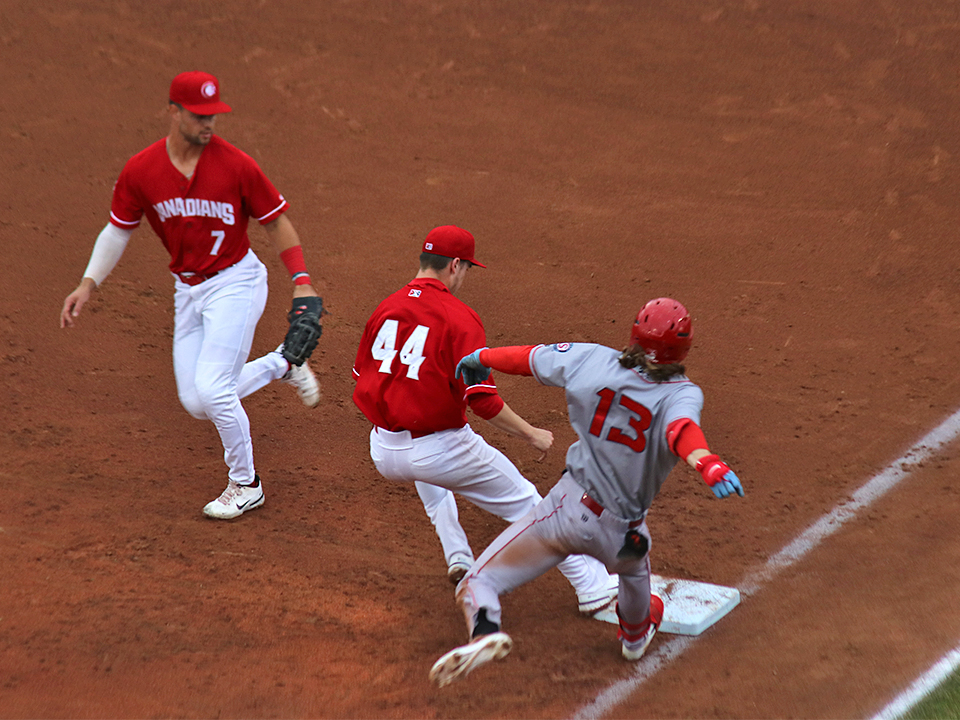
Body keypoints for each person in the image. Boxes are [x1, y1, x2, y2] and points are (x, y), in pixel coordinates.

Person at [428, 297, 745, 687]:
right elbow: (681, 431)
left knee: (478, 582)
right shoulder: (683, 394)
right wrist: (707, 463)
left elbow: (529, 359)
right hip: (622, 536)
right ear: (683, 348)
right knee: (634, 582)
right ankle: (634, 633)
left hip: (562, 513)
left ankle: (486, 632)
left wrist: (484, 356)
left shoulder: (590, 358)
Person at [60, 71, 323, 520]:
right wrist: (88, 282)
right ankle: (283, 362)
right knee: (197, 402)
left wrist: (301, 279)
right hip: (189, 290)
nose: (209, 124)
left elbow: (276, 222)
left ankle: (246, 484)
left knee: (215, 392)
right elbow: (118, 229)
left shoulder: (236, 165)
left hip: (236, 284)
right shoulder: (142, 170)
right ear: (174, 112)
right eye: (200, 115)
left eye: (214, 115)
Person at [351, 225, 618, 618]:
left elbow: (363, 377)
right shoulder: (459, 317)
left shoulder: (385, 307)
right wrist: (532, 434)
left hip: (383, 449)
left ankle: (457, 554)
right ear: (455, 266)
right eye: (467, 269)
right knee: (529, 503)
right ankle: (591, 585)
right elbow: (483, 401)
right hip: (440, 451)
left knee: (431, 478)